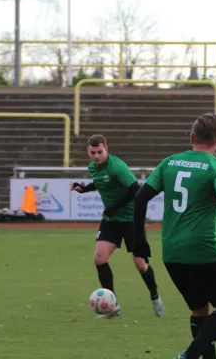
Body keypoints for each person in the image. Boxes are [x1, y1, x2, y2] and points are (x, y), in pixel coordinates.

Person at [132, 113, 216, 359]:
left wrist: (139, 241)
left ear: (192, 137)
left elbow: (141, 197)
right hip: (204, 250)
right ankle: (188, 356)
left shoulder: (170, 162)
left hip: (172, 252)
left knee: (199, 311)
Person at [71, 134, 164, 319]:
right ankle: (112, 306)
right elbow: (101, 183)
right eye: (92, 152)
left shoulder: (117, 166)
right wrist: (84, 189)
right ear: (88, 152)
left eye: (100, 152)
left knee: (140, 264)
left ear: (107, 150)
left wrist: (114, 207)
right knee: (99, 258)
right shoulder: (93, 167)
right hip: (111, 220)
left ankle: (154, 295)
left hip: (131, 220)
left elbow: (135, 189)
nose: (96, 156)